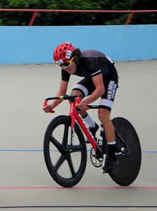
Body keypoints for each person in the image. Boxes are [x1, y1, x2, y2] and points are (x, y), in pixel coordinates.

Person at [43, 42, 120, 172]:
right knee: (74, 97)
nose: (65, 68)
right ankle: (92, 126)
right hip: (94, 77)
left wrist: (87, 101)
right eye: (61, 66)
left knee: (103, 114)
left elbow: (100, 89)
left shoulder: (89, 61)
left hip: (109, 77)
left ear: (75, 59)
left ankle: (112, 153)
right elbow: (62, 92)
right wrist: (52, 105)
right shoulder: (66, 67)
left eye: (67, 65)